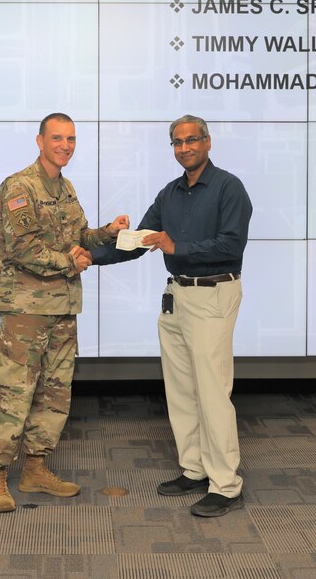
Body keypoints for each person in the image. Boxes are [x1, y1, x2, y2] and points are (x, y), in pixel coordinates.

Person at [92, 114, 252, 517]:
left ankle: (226, 485)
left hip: (213, 293)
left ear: (208, 142)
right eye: (177, 143)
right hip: (176, 297)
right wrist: (90, 256)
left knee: (213, 392)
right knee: (181, 389)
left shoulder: (230, 188)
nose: (184, 148)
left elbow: (230, 245)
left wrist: (175, 246)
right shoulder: (170, 193)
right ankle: (195, 468)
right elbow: (138, 241)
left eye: (191, 140)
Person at [0, 112, 129, 513]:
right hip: (25, 310)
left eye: (71, 139)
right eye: (58, 138)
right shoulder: (19, 186)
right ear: (40, 140)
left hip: (63, 307)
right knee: (16, 393)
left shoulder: (65, 188)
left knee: (55, 393)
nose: (66, 145)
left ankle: (35, 468)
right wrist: (70, 262)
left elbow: (79, 237)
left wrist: (107, 232)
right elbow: (22, 248)